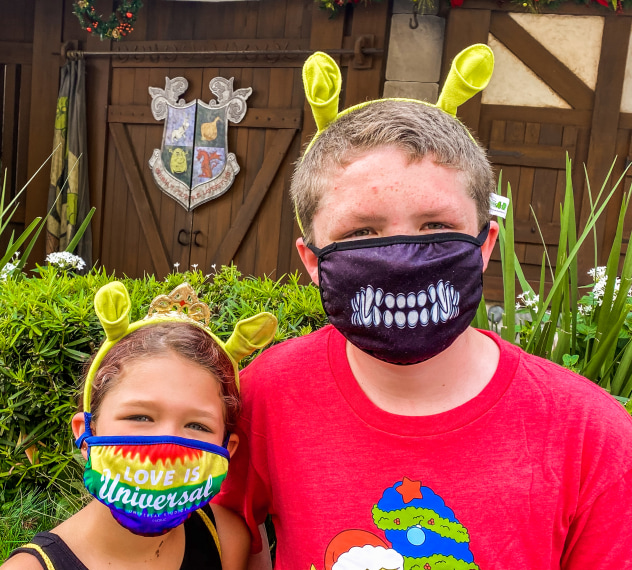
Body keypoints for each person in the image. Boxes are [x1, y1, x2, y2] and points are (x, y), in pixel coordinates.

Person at [214, 44, 632, 570]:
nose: (401, 259)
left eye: (436, 227)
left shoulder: (593, 436)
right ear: (312, 260)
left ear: (483, 246)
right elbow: (225, 535)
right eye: (362, 231)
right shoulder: (264, 397)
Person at [1, 281, 277, 570]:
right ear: (85, 434)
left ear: (227, 448)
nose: (167, 442)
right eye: (140, 417)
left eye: (197, 425)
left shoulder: (227, 539)